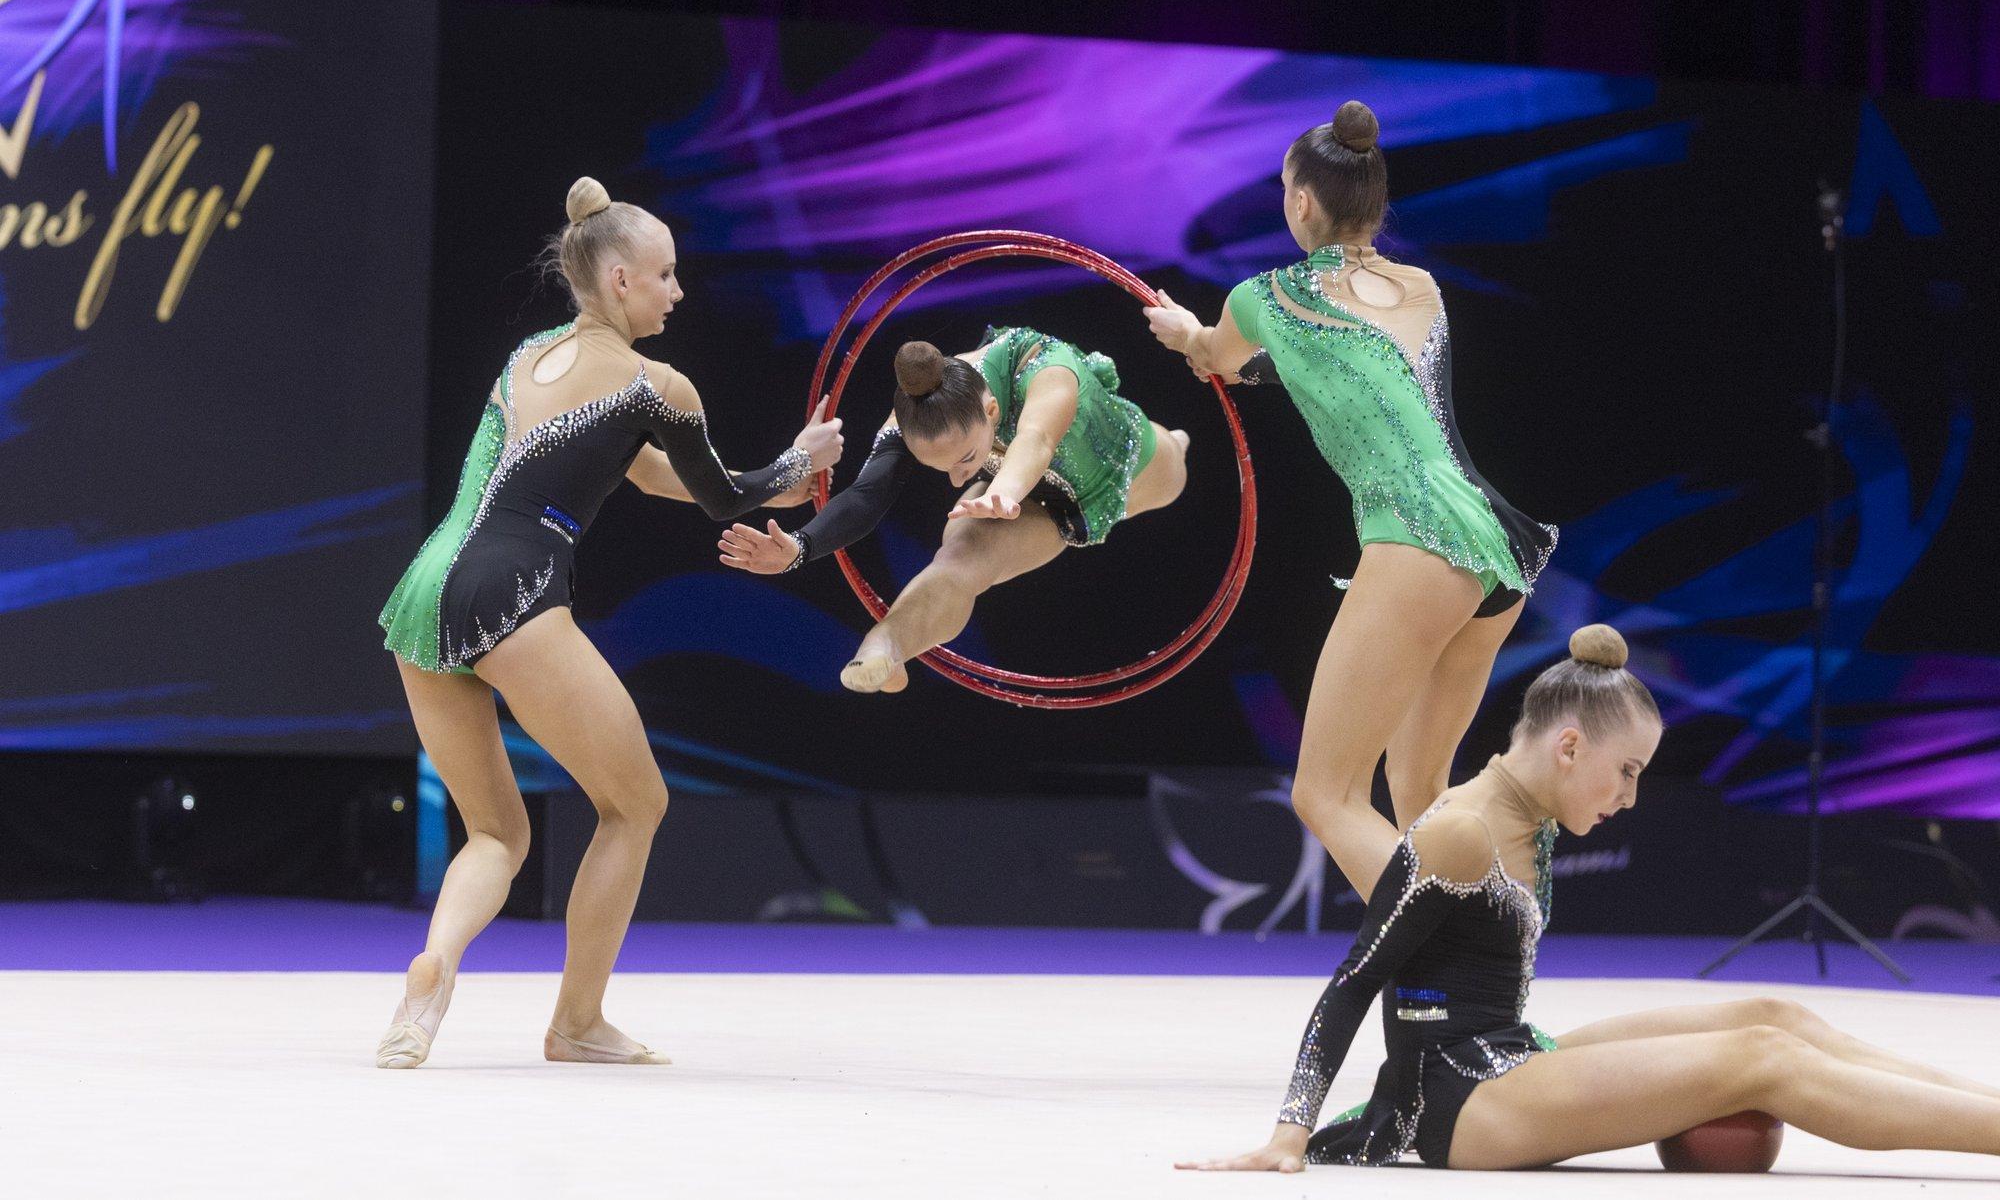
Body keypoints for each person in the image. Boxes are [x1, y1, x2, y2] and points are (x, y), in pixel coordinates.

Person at [1181, 625, 2000, 1171]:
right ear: (1569, 747)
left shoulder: (1528, 815)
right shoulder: (1459, 831)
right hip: (1458, 1099)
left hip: (1509, 1053)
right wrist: (1289, 1134)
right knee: (1765, 1061)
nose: (1630, 798)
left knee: (1775, 1017)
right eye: (1628, 772)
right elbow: (1355, 980)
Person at [372, 177, 843, 1068]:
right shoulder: (659, 384)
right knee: (635, 805)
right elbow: (724, 499)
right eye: (666, 274)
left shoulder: (528, 355)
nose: (678, 290)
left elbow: (652, 475)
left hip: (427, 585)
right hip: (515, 584)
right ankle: (577, 1022)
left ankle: (432, 973)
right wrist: (804, 459)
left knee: (496, 833)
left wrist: (794, 470)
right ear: (621, 278)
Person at [1144, 100, 1556, 898]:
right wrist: (1219, 350)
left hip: (1418, 539)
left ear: (1300, 201)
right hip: (1496, 548)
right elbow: (1348, 372)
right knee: (1422, 799)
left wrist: (1185, 332)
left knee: (1325, 794)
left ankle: (1453, 968)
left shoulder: (1262, 297)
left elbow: (1220, 361)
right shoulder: (1423, 288)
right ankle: (1487, 994)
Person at [718, 325, 1189, 693]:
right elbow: (866, 496)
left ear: (989, 411)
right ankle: (886, 646)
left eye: (963, 459)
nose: (957, 480)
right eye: (938, 468)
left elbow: (1036, 439)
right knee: (960, 559)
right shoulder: (917, 415)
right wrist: (800, 546)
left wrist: (1003, 489)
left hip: (1129, 463)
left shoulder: (1046, 367)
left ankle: (1179, 442)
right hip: (1023, 495)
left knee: (1176, 465)